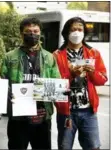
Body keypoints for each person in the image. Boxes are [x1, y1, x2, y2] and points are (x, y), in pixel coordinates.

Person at [0, 17, 61, 150]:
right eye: (28, 31)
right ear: (21, 34)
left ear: (40, 33)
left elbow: (57, 84)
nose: (32, 34)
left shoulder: (49, 57)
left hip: (42, 115)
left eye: (35, 31)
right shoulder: (10, 57)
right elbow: (2, 82)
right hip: (18, 117)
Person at [53, 17, 107, 150]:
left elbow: (102, 79)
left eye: (79, 29)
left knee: (93, 146)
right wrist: (72, 75)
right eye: (73, 30)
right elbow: (53, 84)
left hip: (89, 111)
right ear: (66, 33)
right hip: (66, 112)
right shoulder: (57, 55)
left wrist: (92, 72)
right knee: (64, 147)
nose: (76, 33)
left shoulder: (93, 53)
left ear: (84, 32)